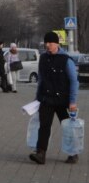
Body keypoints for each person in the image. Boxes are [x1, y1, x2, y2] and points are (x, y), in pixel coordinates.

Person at [29, 31, 79, 165]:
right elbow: (41, 79)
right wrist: (37, 98)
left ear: (57, 43)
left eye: (50, 43)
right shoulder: (43, 58)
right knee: (44, 126)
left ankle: (73, 153)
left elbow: (74, 81)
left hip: (62, 101)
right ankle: (41, 153)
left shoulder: (66, 60)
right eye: (46, 42)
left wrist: (73, 101)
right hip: (46, 99)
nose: (47, 45)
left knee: (67, 127)